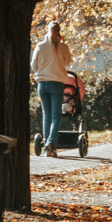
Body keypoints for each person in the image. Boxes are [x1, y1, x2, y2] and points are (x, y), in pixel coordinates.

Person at [30, 20, 74, 156]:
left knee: (46, 115)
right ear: (59, 33)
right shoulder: (62, 46)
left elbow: (33, 65)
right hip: (56, 83)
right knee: (56, 116)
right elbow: (68, 62)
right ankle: (51, 144)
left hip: (42, 84)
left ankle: (46, 149)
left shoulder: (40, 46)